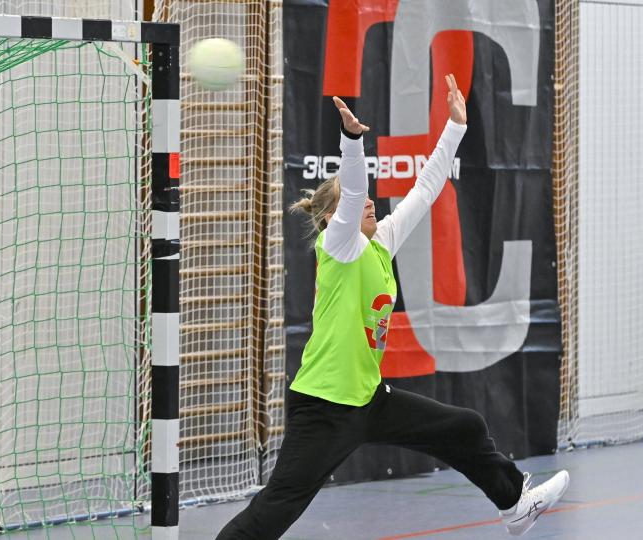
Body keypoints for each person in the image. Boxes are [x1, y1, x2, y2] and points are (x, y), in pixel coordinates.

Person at [215, 75, 569, 539]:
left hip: (365, 399)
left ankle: (515, 506)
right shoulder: (337, 246)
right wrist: (351, 142)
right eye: (352, 204)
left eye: (364, 202)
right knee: (277, 508)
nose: (368, 205)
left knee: (463, 426)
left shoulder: (379, 241)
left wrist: (456, 128)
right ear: (331, 220)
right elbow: (356, 191)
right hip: (324, 407)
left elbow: (424, 190)